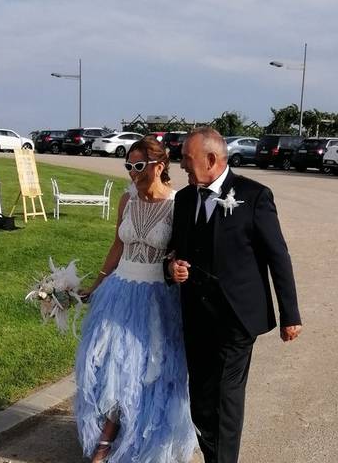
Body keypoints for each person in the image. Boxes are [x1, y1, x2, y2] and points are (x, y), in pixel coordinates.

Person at [166, 127, 302, 463]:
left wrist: (291, 315)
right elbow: (174, 252)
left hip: (237, 318)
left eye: (186, 157)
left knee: (226, 399)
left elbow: (277, 256)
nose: (181, 163)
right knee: (200, 399)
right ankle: (216, 455)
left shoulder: (255, 196)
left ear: (211, 160)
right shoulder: (183, 200)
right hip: (196, 317)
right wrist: (171, 269)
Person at [74, 138, 197, 463]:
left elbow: (181, 251)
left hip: (157, 297)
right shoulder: (126, 199)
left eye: (138, 166)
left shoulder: (176, 204)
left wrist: (176, 265)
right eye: (128, 166)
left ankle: (131, 440)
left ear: (159, 165)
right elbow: (118, 244)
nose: (132, 173)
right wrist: (97, 284)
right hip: (120, 293)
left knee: (147, 370)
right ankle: (107, 436)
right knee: (111, 365)